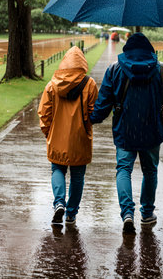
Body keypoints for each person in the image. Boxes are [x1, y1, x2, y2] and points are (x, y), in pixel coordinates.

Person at [90, 33, 163, 233]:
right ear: (150, 49)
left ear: (126, 49)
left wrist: (91, 119)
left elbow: (103, 103)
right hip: (151, 128)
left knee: (123, 170)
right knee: (150, 171)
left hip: (125, 129)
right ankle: (146, 214)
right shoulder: (161, 69)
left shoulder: (114, 69)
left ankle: (127, 213)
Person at [38, 46, 98, 225]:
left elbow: (44, 114)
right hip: (80, 137)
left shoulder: (52, 85)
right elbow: (93, 112)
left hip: (57, 136)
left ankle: (59, 203)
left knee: (57, 169)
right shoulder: (90, 84)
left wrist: (49, 132)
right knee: (78, 176)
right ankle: (71, 214)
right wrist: (85, 128)